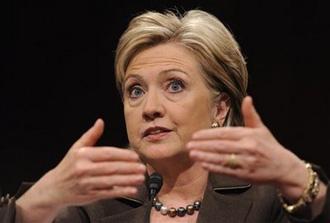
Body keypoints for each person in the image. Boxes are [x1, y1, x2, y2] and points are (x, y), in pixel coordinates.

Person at [1, 9, 329, 223]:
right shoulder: (89, 209)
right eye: (135, 90)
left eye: (175, 85)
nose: (150, 107)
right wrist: (34, 205)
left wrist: (298, 179)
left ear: (220, 107)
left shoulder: (269, 203)